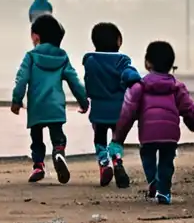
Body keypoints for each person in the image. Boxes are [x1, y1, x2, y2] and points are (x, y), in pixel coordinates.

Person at [112, 40, 194, 205]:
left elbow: (127, 113)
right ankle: (164, 191)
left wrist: (118, 137)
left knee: (148, 156)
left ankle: (153, 181)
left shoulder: (139, 87)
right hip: (170, 134)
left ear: (147, 62)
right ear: (171, 64)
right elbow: (188, 108)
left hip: (148, 134)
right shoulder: (177, 87)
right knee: (167, 162)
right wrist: (192, 122)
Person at [11, 14, 88, 184]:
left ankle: (38, 165)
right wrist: (84, 101)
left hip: (37, 106)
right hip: (55, 106)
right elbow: (74, 81)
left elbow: (21, 79)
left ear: (36, 36)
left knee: (36, 138)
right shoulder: (62, 57)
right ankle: (59, 152)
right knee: (57, 135)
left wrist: (16, 100)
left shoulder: (31, 56)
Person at [82, 22, 141, 188]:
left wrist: (85, 98)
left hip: (99, 110)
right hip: (119, 110)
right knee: (117, 140)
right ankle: (117, 160)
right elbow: (131, 75)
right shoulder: (122, 60)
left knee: (99, 139)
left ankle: (103, 163)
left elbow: (89, 84)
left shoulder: (91, 60)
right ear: (118, 41)